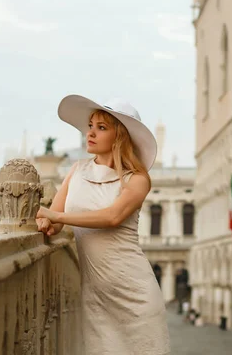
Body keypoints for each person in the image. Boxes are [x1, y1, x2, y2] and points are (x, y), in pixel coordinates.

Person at [35, 95, 171, 355]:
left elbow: (112, 217)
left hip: (135, 293)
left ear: (119, 136)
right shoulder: (76, 170)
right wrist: (45, 222)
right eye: (90, 125)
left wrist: (57, 218)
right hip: (96, 295)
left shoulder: (138, 179)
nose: (90, 133)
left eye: (101, 127)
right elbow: (54, 220)